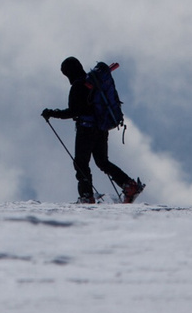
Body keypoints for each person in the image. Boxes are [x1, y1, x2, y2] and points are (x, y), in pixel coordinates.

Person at [41, 56, 143, 204]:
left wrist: (52, 113)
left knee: (81, 163)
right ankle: (129, 185)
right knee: (102, 161)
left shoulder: (78, 86)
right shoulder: (94, 83)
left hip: (86, 129)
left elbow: (74, 111)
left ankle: (86, 196)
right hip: (101, 128)